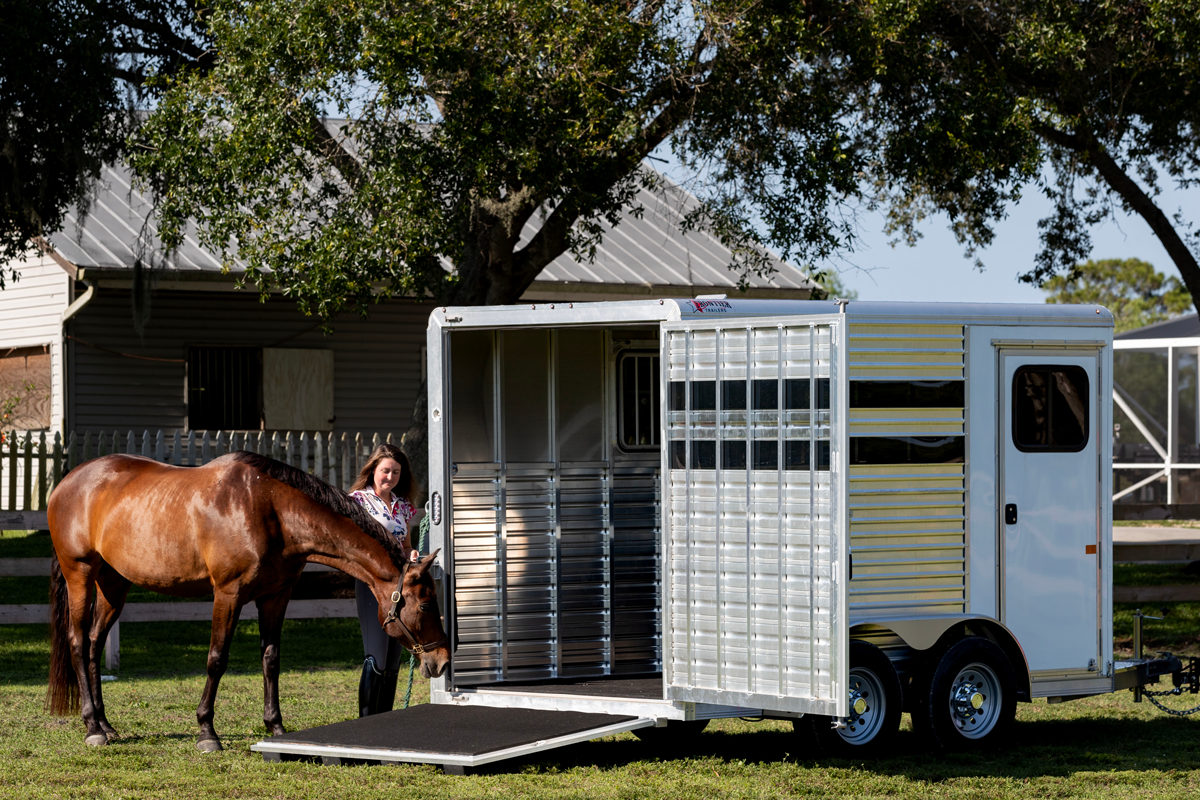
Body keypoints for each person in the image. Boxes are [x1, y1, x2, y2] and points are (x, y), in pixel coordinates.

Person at [348, 443, 420, 717]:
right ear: (373, 470)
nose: (390, 477)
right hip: (372, 586)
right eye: (385, 471)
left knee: (393, 657)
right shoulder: (358, 502)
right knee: (376, 653)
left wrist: (410, 553)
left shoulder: (403, 506)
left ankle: (386, 722)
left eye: (396, 473)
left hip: (399, 586)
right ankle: (367, 723)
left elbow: (406, 544)